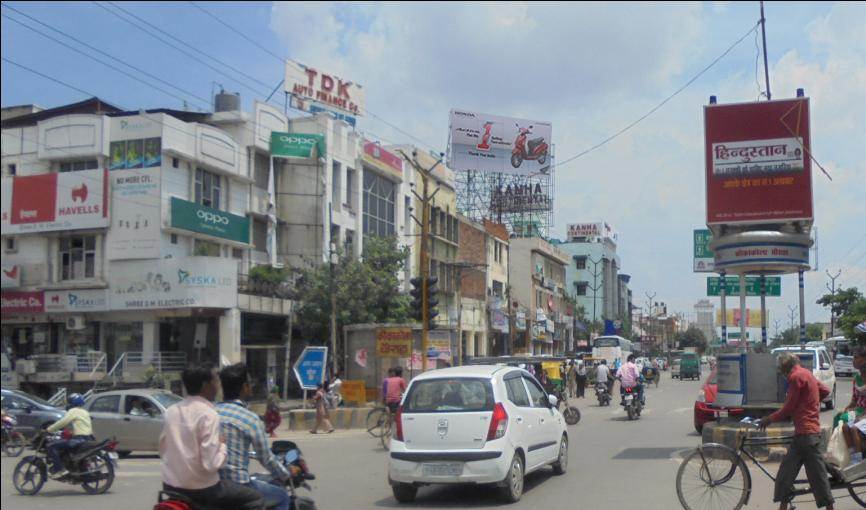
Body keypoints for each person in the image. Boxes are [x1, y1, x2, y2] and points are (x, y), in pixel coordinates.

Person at [160, 363, 264, 510]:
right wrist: (222, 446)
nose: (217, 386)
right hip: (203, 489)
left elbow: (163, 448)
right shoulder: (208, 414)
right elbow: (211, 465)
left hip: (170, 485)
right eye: (215, 381)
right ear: (205, 386)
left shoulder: (171, 411)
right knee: (255, 498)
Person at [757, 353, 834, 510]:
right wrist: (810, 403)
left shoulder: (795, 377)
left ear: (785, 368)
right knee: (786, 475)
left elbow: (788, 407)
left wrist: (768, 419)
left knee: (817, 479)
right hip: (805, 435)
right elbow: (825, 391)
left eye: (781, 370)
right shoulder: (806, 373)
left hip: (806, 436)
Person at [217, 364, 292, 510]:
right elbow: (266, 457)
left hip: (212, 485)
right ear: (245, 387)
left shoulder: (210, 413)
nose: (251, 387)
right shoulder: (250, 419)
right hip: (239, 485)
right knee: (282, 496)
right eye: (250, 383)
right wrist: (285, 474)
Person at [45, 393, 93, 476]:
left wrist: (49, 429)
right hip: (88, 439)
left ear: (73, 403)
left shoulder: (73, 411)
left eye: (69, 402)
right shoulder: (85, 412)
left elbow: (63, 422)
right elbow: (81, 426)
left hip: (79, 439)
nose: (68, 404)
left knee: (51, 446)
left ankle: (59, 469)